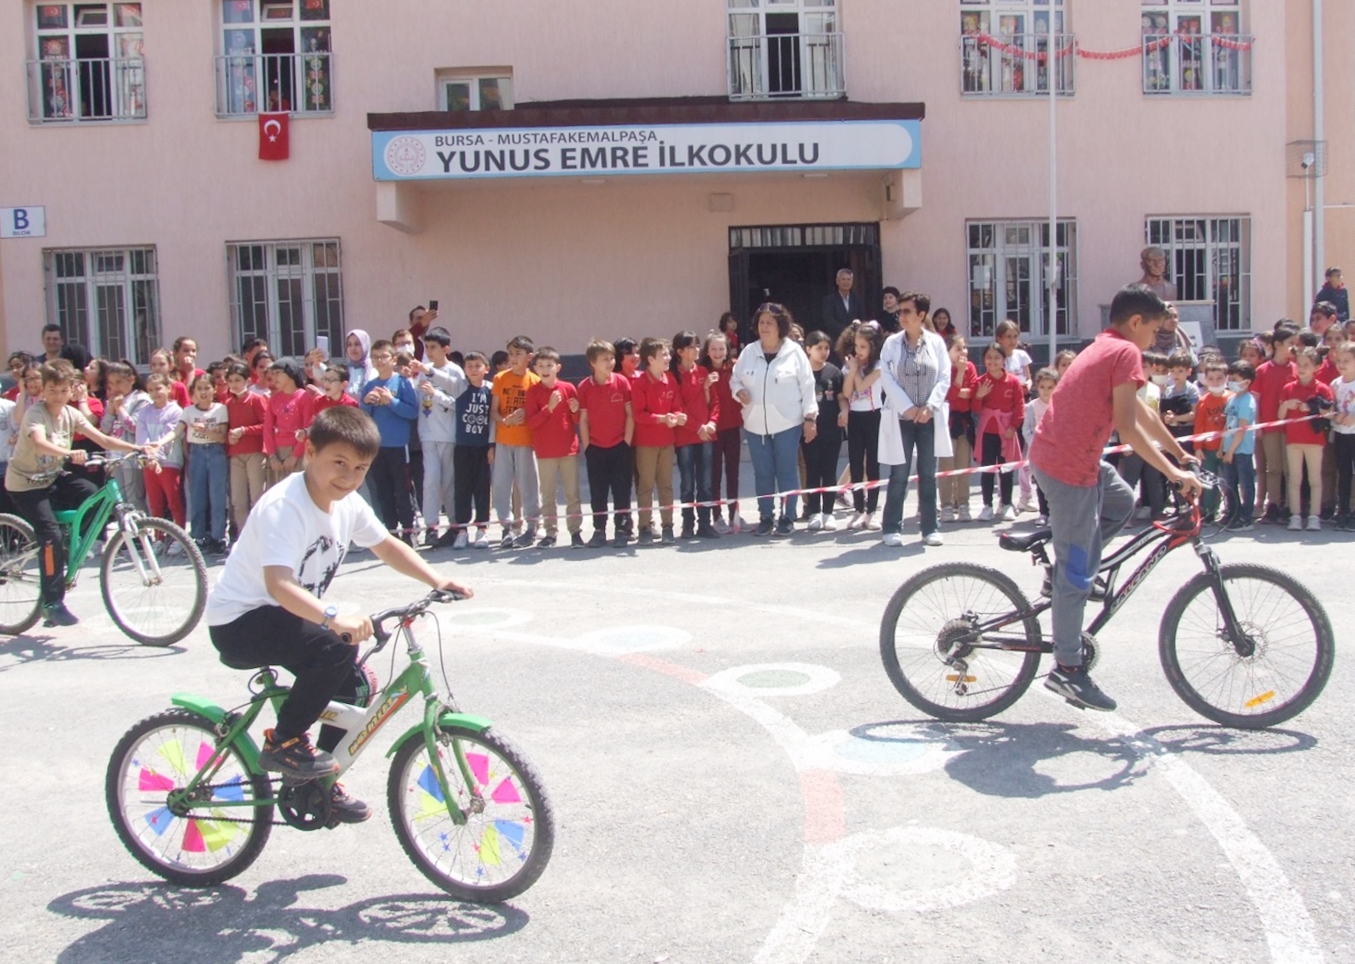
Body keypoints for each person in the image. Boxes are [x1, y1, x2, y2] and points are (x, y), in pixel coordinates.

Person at [205, 406, 472, 820]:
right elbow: (279, 585)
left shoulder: (348, 504)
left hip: (285, 616)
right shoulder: (286, 507)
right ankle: (285, 742)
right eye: (339, 463)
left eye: (361, 468)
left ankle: (317, 785)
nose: (349, 477)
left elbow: (386, 546)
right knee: (334, 647)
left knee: (357, 686)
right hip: (241, 620)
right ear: (309, 452)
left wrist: (436, 580)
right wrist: (333, 618)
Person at [1030, 283, 1202, 712]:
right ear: (1136, 322)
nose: (1157, 339)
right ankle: (1067, 669)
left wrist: (1179, 453)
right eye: (1155, 331)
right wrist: (1172, 473)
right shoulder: (1123, 351)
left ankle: (1069, 569)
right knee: (1077, 571)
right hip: (1068, 469)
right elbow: (1128, 429)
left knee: (1123, 504)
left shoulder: (1108, 345)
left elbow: (1141, 411)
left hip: (1072, 458)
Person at [6, 362, 153, 626]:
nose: (58, 396)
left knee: (93, 496)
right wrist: (67, 454)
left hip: (51, 476)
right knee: (48, 535)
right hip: (26, 483)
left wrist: (137, 447)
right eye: (52, 390)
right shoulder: (35, 414)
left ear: (71, 390)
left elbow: (103, 439)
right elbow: (40, 442)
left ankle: (67, 544)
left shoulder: (71, 415)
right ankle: (52, 603)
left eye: (63, 390)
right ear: (44, 390)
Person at [732, 303, 817, 537]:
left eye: (770, 322)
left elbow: (808, 386)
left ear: (781, 325)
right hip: (755, 424)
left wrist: (810, 417)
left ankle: (788, 516)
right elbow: (735, 380)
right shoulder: (749, 352)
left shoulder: (795, 352)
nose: (764, 326)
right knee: (763, 472)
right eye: (761, 322)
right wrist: (738, 391)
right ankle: (766, 516)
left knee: (787, 470)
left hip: (788, 423)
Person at [877, 292, 951, 547]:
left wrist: (930, 406)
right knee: (899, 472)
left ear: (921, 315)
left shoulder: (936, 343)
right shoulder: (892, 344)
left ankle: (930, 527)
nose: (902, 316)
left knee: (928, 473)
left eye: (907, 311)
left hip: (929, 417)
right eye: (900, 311)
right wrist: (907, 407)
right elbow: (886, 376)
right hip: (902, 417)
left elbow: (944, 377)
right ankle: (891, 527)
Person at [359, 340, 419, 543]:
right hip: (378, 446)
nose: (379, 361)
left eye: (384, 357)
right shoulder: (370, 385)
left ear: (393, 359)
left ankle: (409, 530)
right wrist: (367, 403)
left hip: (399, 445)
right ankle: (390, 530)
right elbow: (364, 416)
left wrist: (390, 401)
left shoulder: (402, 382)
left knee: (402, 488)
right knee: (383, 489)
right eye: (375, 357)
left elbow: (412, 411)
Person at [578, 339, 634, 548]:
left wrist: (626, 442)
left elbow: (630, 415)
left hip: (620, 446)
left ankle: (622, 529)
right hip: (596, 448)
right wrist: (588, 447)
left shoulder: (622, 382)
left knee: (622, 490)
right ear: (593, 362)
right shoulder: (584, 387)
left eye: (611, 358)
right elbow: (583, 420)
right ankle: (599, 530)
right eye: (604, 359)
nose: (610, 362)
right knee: (598, 492)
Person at [412, 327, 465, 547]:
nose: (430, 352)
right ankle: (431, 526)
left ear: (445, 349)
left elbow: (460, 403)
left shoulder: (455, 372)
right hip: (428, 433)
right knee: (430, 480)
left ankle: (454, 526)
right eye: (427, 347)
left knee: (449, 483)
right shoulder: (425, 370)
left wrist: (438, 395)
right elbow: (418, 399)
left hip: (449, 434)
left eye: (433, 347)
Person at [524, 347, 582, 548]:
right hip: (545, 451)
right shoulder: (532, 392)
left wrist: (575, 411)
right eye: (540, 366)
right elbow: (531, 423)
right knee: (548, 494)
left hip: (568, 449)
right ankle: (550, 533)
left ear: (558, 367)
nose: (545, 369)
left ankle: (575, 531)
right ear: (535, 369)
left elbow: (575, 419)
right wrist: (548, 408)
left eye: (549, 365)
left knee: (572, 493)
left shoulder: (568, 388)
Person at [490, 335, 541, 549]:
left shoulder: (535, 381)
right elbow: (494, 411)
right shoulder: (500, 378)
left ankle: (532, 525)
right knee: (501, 484)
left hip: (526, 441)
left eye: (518, 354)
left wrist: (527, 416)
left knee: (528, 483)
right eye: (510, 354)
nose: (513, 358)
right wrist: (505, 420)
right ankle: (507, 526)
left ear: (529, 357)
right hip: (504, 439)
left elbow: (539, 412)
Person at [632, 337, 682, 545]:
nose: (668, 358)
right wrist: (661, 419)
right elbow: (638, 414)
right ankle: (644, 526)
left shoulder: (670, 379)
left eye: (668, 354)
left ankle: (668, 526)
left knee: (666, 485)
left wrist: (679, 416)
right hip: (646, 442)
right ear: (651, 359)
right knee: (645, 486)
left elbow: (677, 406)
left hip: (667, 441)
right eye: (664, 355)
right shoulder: (640, 383)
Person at [672, 330, 721, 540]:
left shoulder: (702, 371)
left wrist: (711, 423)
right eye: (691, 346)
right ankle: (687, 525)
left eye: (697, 346)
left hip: (706, 435)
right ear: (680, 351)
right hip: (685, 437)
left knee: (706, 482)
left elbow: (715, 402)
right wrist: (697, 428)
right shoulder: (672, 376)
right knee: (687, 483)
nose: (696, 350)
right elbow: (677, 408)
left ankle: (705, 523)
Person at [1279, 346, 1334, 532]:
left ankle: (1314, 516)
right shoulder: (1288, 388)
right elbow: (1280, 416)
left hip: (1315, 441)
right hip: (1293, 440)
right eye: (1299, 364)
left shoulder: (1322, 388)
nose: (1301, 368)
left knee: (1314, 479)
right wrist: (1286, 405)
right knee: (1295, 479)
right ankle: (1295, 516)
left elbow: (1330, 413)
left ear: (1316, 367)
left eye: (1306, 365)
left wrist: (1312, 409)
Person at [177, 374, 231, 555]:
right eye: (199, 388)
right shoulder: (189, 411)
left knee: (217, 497)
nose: (203, 392)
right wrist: (160, 443)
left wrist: (206, 431)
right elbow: (178, 431)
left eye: (207, 388)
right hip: (197, 453)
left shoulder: (221, 409)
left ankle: (218, 537)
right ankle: (198, 537)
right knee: (198, 497)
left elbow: (222, 436)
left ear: (214, 389)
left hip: (216, 453)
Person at [839, 320, 884, 530]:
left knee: (872, 464)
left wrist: (855, 370)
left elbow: (863, 385)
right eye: (856, 346)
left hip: (874, 416)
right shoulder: (850, 365)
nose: (859, 351)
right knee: (855, 463)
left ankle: (872, 511)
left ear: (873, 347)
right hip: (856, 417)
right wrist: (851, 370)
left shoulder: (880, 366)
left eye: (863, 347)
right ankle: (858, 509)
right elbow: (848, 392)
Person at [1253, 319, 1300, 523]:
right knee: (1274, 467)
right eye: (1291, 343)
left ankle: (1290, 506)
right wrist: (1257, 425)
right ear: (1278, 344)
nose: (1294, 348)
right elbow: (1255, 399)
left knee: (1291, 469)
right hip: (1269, 425)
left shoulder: (1297, 369)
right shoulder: (1262, 370)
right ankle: (1272, 503)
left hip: (1292, 427)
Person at [974, 342, 1024, 523]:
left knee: (1006, 469)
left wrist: (1013, 427)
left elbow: (1019, 407)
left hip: (1007, 432)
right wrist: (979, 395)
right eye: (989, 357)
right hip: (988, 431)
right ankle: (987, 505)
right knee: (987, 468)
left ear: (1004, 360)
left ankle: (1007, 504)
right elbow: (976, 409)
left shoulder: (1013, 382)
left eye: (997, 357)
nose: (992, 361)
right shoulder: (980, 382)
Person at [801, 331, 845, 532]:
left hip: (831, 430)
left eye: (826, 348)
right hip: (810, 430)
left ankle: (828, 512)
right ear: (808, 349)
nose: (824, 352)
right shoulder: (802, 372)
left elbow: (841, 397)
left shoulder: (834, 373)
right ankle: (814, 512)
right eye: (819, 348)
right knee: (812, 471)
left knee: (829, 471)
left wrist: (844, 410)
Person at [450, 351, 493, 549]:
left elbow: (494, 420)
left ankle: (482, 529)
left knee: (482, 489)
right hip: (463, 447)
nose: (474, 370)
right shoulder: (460, 388)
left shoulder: (491, 390)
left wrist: (492, 445)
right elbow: (443, 381)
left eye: (478, 366)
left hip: (483, 448)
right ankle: (461, 530)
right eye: (469, 366)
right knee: (462, 489)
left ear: (486, 368)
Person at [702, 332, 742, 532]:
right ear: (707, 351)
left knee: (733, 473)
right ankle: (717, 516)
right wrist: (706, 385)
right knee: (715, 474)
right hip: (713, 430)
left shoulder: (736, 367)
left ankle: (735, 513)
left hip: (733, 426)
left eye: (721, 348)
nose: (718, 353)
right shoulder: (702, 372)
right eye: (713, 349)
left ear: (727, 350)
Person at [98, 361, 150, 514]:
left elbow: (134, 427)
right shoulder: (111, 401)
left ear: (131, 380)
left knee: (134, 498)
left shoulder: (141, 399)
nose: (115, 387)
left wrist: (120, 409)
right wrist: (111, 411)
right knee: (120, 501)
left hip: (131, 458)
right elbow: (105, 429)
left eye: (119, 382)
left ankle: (142, 531)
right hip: (115, 458)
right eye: (111, 383)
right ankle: (127, 535)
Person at [138, 373, 187, 530]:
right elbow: (142, 435)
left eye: (158, 388)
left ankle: (179, 537)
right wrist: (149, 457)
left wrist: (156, 457)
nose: (155, 393)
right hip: (150, 462)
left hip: (170, 461)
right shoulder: (144, 412)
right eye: (150, 390)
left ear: (168, 388)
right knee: (155, 503)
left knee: (174, 501)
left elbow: (169, 437)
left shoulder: (176, 411)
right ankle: (159, 537)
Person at [224, 362, 267, 536]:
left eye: (238, 380)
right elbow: (225, 428)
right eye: (231, 380)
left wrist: (244, 431)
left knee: (257, 497)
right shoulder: (228, 403)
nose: (234, 384)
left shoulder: (256, 400)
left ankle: (261, 536)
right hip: (235, 455)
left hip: (255, 453)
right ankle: (244, 537)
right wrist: (230, 436)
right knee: (238, 500)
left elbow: (265, 425)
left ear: (247, 381)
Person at [940, 333, 977, 523]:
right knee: (946, 466)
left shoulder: (970, 367)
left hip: (964, 422)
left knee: (963, 465)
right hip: (947, 422)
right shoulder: (944, 368)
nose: (962, 352)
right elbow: (948, 395)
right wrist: (959, 375)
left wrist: (960, 391)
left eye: (964, 348)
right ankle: (946, 505)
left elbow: (972, 392)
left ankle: (963, 503)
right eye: (957, 349)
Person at [263, 358, 316, 486]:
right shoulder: (274, 399)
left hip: (298, 451)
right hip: (277, 452)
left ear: (290, 373)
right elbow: (267, 428)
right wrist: (272, 456)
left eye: (278, 373)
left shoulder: (304, 397)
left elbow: (307, 428)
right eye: (273, 374)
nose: (274, 377)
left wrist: (295, 455)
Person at [1220, 361, 1257, 531]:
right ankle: (1232, 512)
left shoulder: (1247, 402)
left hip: (1241, 450)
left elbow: (1241, 430)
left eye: (1235, 379)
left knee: (1246, 484)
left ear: (1247, 382)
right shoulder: (1232, 399)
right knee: (1230, 483)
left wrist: (1231, 451)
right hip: (1229, 448)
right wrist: (1222, 447)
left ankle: (1246, 516)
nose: (1230, 382)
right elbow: (1227, 425)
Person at [1192, 360, 1231, 522]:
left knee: (1228, 482)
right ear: (1206, 380)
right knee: (1208, 483)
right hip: (1208, 449)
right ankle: (1207, 512)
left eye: (1220, 378)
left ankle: (1229, 511)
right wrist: (1198, 447)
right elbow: (1199, 425)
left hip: (1227, 448)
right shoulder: (1203, 401)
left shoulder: (1231, 398)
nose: (1216, 382)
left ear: (1226, 378)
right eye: (1212, 378)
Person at [1023, 368, 1059, 526]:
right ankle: (1043, 512)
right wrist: (1036, 445)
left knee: (1056, 485)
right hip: (1039, 453)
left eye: (1050, 387)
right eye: (1042, 387)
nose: (1046, 391)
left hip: (1057, 452)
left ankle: (1055, 513)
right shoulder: (1031, 407)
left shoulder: (1060, 405)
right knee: (1041, 484)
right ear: (1037, 387)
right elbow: (1027, 429)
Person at [1328, 344, 1355, 529]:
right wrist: (1334, 414)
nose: (1342, 364)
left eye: (1347, 361)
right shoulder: (1335, 384)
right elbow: (1332, 407)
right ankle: (1343, 511)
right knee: (1343, 473)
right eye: (1339, 360)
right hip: (1341, 434)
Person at [819, 269, 865, 347]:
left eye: (848, 279)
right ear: (837, 281)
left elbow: (862, 317)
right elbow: (829, 320)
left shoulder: (857, 300)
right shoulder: (829, 300)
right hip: (836, 340)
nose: (846, 282)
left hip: (854, 341)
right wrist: (846, 331)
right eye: (843, 279)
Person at [344, 330, 377, 401]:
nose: (353, 348)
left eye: (357, 344)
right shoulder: (344, 370)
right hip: (346, 410)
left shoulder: (375, 370)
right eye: (349, 345)